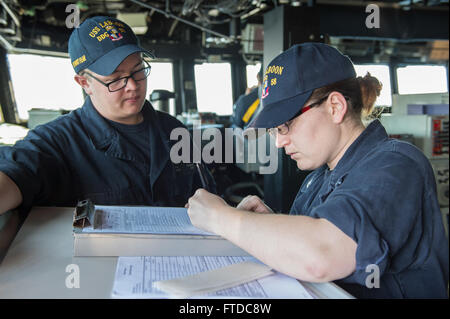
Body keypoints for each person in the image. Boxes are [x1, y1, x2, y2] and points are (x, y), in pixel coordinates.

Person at [187, 42, 449, 298]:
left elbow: (322, 255)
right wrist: (267, 226)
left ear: (335, 107)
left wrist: (221, 218)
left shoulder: (397, 165)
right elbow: (309, 248)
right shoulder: (319, 179)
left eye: (285, 125)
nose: (279, 141)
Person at [0, 16, 215, 216]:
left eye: (138, 70)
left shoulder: (173, 129)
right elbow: (16, 173)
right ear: (85, 83)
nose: (132, 86)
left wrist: (228, 213)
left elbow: (207, 195)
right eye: (115, 77)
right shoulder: (58, 141)